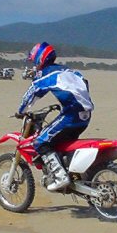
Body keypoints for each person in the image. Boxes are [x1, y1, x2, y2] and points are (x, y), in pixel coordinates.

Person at [16, 42, 93, 191]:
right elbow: (84, 83)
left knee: (40, 142)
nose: (35, 66)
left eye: (34, 62)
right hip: (86, 116)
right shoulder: (69, 71)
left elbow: (33, 93)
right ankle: (73, 174)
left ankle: (60, 177)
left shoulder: (47, 74)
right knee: (62, 144)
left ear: (40, 59)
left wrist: (20, 111)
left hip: (71, 116)